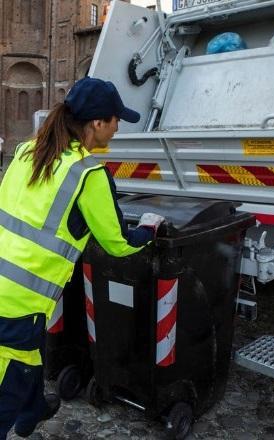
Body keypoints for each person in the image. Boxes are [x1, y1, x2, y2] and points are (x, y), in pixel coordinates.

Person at [0, 77, 164, 439]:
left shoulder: (28, 151)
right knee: (11, 377)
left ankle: (32, 413)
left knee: (25, 356)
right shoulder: (88, 174)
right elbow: (118, 243)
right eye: (116, 119)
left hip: (5, 288)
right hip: (20, 303)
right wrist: (149, 230)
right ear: (97, 124)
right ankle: (19, 410)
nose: (118, 126)